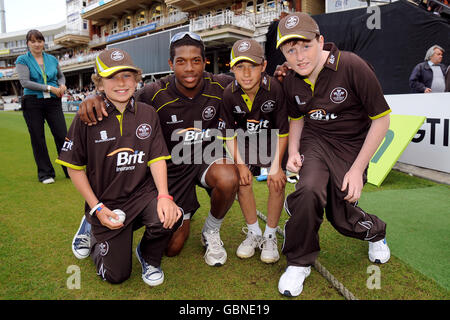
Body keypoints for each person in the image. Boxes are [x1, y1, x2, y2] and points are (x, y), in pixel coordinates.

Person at [73, 32, 239, 267]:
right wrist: (96, 97)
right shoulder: (152, 93)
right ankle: (92, 219)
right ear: (171, 64)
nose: (189, 68)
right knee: (172, 249)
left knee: (228, 177)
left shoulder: (221, 85)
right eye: (181, 61)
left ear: (205, 62)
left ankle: (211, 231)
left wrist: (285, 71)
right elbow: (121, 96)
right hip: (171, 170)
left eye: (196, 61)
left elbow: (256, 82)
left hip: (205, 158)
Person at [275, 12, 391, 297]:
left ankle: (375, 231)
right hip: (316, 141)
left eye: (306, 46)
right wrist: (292, 152)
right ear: (283, 54)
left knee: (341, 217)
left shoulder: (352, 65)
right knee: (309, 190)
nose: (299, 56)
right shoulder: (291, 80)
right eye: (291, 50)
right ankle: (299, 261)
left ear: (321, 41)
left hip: (351, 147)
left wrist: (357, 170)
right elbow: (297, 118)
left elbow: (381, 119)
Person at [56, 48, 182, 286]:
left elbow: (156, 159)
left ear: (136, 79)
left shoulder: (147, 113)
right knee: (116, 276)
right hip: (107, 201)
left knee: (171, 216)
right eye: (112, 77)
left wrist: (165, 196)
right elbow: (74, 167)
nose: (121, 83)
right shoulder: (87, 117)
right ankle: (91, 227)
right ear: (99, 84)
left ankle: (148, 255)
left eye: (127, 75)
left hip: (141, 195)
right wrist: (97, 208)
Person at [221, 39, 289, 264]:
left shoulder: (276, 88)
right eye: (240, 66)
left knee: (276, 182)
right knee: (243, 181)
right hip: (246, 143)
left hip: (272, 141)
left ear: (264, 65)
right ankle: (254, 233)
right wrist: (240, 165)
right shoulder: (228, 94)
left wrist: (276, 166)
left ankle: (270, 235)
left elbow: (283, 131)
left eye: (252, 65)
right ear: (232, 68)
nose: (247, 73)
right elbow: (229, 134)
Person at [15, 29, 69, 184]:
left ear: (43, 42)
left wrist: (62, 85)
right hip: (32, 101)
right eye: (33, 41)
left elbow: (60, 76)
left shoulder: (52, 59)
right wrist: (49, 88)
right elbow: (25, 82)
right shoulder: (22, 60)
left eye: (39, 41)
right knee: (38, 137)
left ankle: (69, 169)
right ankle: (45, 174)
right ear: (28, 43)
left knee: (62, 135)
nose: (37, 44)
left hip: (53, 101)